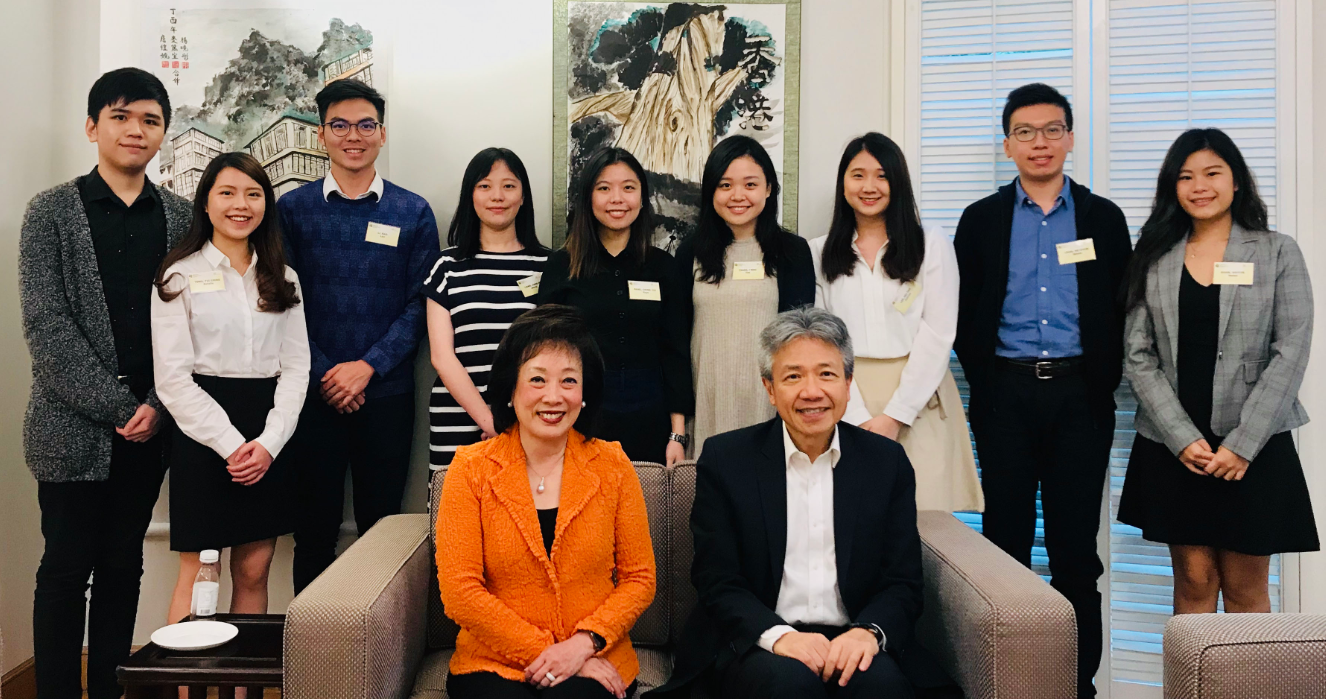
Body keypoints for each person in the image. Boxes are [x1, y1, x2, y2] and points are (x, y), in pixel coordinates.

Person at [952, 82, 1132, 698]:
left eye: (1052, 129)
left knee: (1076, 553)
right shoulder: (981, 220)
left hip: (1081, 400)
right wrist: (988, 380)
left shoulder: (1103, 219)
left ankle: (1077, 687)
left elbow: (1123, 308)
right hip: (1005, 397)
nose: (1040, 142)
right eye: (1025, 132)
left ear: (1070, 138)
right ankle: (1007, 683)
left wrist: (1100, 380)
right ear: (1007, 145)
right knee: (1004, 547)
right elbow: (963, 313)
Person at [18, 67, 191, 699]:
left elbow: (192, 325)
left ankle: (115, 688)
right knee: (65, 571)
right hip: (70, 427)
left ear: (163, 133)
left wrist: (156, 405)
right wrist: (120, 407)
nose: (135, 130)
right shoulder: (49, 213)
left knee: (124, 565)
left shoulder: (181, 217)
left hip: (152, 424)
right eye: (120, 117)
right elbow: (47, 326)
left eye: (150, 120)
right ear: (93, 127)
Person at [655, 306, 923, 699]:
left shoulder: (885, 462)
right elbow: (717, 578)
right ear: (769, 388)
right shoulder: (727, 460)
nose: (811, 391)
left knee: (882, 687)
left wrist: (869, 633)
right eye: (793, 376)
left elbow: (903, 581)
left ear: (849, 383)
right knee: (788, 686)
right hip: (759, 640)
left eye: (826, 374)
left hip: (855, 637)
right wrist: (779, 636)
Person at [1117, 128, 1319, 614]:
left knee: (1247, 587)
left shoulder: (1276, 250)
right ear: (1173, 187)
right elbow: (1137, 354)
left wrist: (1242, 445)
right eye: (1185, 177)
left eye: (1212, 173)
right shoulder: (1154, 254)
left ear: (1236, 181)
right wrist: (1181, 437)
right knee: (1192, 581)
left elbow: (1291, 351)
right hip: (1177, 443)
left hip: (1254, 443)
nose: (1199, 186)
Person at [437, 304, 656, 699]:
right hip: (494, 661)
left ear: (585, 393)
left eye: (569, 380)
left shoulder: (613, 465)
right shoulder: (470, 469)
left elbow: (639, 579)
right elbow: (460, 594)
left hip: (592, 658)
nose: (554, 397)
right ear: (511, 388)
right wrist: (551, 654)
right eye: (537, 379)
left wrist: (582, 646)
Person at [279, 79, 441, 593]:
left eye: (366, 125)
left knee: (382, 531)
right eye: (341, 125)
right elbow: (281, 301)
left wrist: (367, 366)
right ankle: (312, 640)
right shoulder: (292, 210)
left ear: (382, 133)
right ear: (322, 134)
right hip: (311, 394)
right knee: (313, 533)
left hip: (386, 394)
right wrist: (328, 372)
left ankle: (376, 643)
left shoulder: (412, 212)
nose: (354, 136)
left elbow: (421, 304)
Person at [152, 151, 309, 624]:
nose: (241, 205)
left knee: (254, 570)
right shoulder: (178, 274)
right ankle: (187, 672)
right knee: (201, 571)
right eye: (227, 193)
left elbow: (296, 368)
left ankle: (242, 674)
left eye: (253, 194)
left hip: (268, 429)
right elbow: (172, 378)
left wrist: (268, 443)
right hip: (202, 430)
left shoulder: (283, 277)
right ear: (205, 203)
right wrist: (231, 445)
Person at [811, 132, 981, 513]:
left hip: (920, 398)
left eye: (882, 176)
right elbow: (823, 340)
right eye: (858, 175)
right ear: (843, 184)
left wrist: (895, 416)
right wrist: (855, 416)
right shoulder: (819, 252)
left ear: (898, 182)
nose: (869, 186)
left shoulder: (931, 243)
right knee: (854, 516)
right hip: (845, 394)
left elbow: (938, 334)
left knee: (927, 521)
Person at [537, 147, 691, 465]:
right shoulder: (561, 266)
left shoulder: (664, 267)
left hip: (651, 419)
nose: (617, 199)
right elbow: (544, 352)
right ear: (588, 198)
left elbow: (675, 352)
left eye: (628, 187)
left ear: (642, 197)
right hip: (580, 416)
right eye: (604, 188)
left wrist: (677, 435)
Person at [676, 135, 815, 457]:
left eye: (750, 184)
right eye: (725, 185)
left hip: (770, 406)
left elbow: (800, 342)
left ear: (768, 189)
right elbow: (677, 341)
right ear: (711, 191)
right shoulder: (690, 252)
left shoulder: (792, 252)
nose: (737, 196)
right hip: (708, 403)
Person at [423, 148, 548, 469]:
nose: (497, 196)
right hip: (458, 419)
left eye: (509, 186)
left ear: (523, 196)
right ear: (471, 195)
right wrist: (490, 421)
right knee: (456, 501)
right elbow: (441, 357)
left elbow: (554, 355)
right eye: (485, 186)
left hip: (529, 421)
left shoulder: (549, 265)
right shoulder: (446, 266)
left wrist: (515, 419)